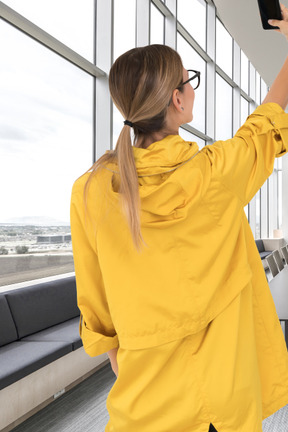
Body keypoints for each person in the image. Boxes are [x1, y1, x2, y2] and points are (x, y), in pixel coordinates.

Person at [70, 5, 288, 432]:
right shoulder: (215, 173)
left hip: (143, 404)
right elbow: (267, 119)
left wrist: (124, 357)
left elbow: (95, 304)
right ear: (177, 98)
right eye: (190, 80)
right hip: (224, 401)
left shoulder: (91, 190)